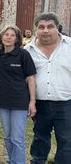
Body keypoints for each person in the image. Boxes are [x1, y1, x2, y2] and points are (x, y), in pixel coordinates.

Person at [25, 12, 71, 164]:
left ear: (57, 28)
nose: (45, 30)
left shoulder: (69, 46)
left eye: (50, 26)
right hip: (39, 103)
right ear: (36, 29)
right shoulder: (27, 50)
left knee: (66, 140)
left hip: (65, 103)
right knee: (40, 137)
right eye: (41, 27)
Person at [0, 25, 37, 164]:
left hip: (20, 101)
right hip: (3, 101)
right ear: (1, 36)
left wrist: (32, 102)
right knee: (7, 136)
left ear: (17, 38)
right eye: (6, 34)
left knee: (17, 138)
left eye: (12, 35)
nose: (8, 37)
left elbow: (31, 78)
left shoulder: (23, 54)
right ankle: (12, 160)